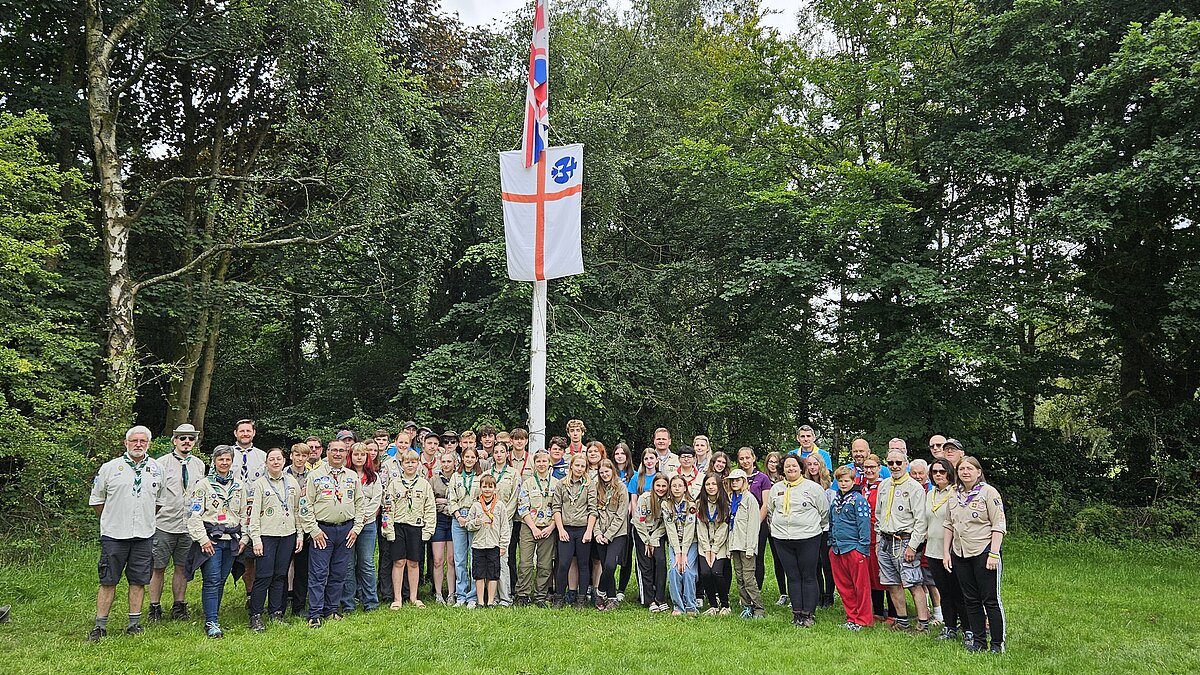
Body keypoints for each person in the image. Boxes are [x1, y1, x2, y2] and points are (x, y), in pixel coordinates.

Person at [87, 425, 164, 642]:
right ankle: (100, 625)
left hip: (144, 535)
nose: (138, 445)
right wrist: (114, 519)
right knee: (108, 580)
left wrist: (142, 519)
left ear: (148, 444)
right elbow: (97, 501)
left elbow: (158, 503)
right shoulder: (110, 468)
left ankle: (134, 624)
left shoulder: (157, 469)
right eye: (134, 441)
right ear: (126, 443)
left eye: (143, 441)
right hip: (114, 535)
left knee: (138, 581)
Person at [297, 438, 366, 628]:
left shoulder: (352, 476)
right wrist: (314, 530)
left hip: (346, 530)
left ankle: (332, 610)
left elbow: (360, 504)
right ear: (327, 452)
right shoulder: (314, 476)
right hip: (322, 531)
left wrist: (356, 528)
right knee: (319, 573)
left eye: (341, 450)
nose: (337, 454)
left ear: (346, 454)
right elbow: (305, 505)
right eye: (334, 450)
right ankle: (315, 613)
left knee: (339, 573)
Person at [945, 456, 1007, 653]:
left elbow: (998, 524)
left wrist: (994, 553)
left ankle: (997, 643)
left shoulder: (989, 493)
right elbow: (949, 524)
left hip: (984, 551)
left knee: (990, 600)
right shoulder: (954, 493)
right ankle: (978, 642)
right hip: (960, 553)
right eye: (962, 469)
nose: (965, 472)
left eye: (970, 468)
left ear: (978, 472)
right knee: (970, 599)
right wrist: (946, 552)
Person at [186, 445, 247, 638]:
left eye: (228, 459)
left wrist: (244, 537)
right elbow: (194, 514)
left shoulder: (239, 485)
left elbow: (245, 513)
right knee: (211, 580)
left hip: (232, 539)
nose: (224, 463)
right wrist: (202, 539)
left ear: (232, 461)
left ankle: (215, 614)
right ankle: (211, 621)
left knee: (221, 579)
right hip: (212, 538)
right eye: (220, 459)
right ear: (214, 461)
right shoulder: (203, 485)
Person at [149, 423, 205, 624]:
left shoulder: (199, 465)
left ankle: (179, 605)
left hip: (188, 525)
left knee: (182, 567)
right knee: (158, 567)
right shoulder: (160, 464)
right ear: (175, 441)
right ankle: (154, 607)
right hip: (164, 523)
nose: (187, 442)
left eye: (190, 439)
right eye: (183, 438)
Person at [766, 454, 829, 628]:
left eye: (794, 466)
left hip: (808, 537)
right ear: (782, 469)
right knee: (792, 576)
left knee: (808, 575)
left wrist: (816, 528)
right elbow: (771, 511)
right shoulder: (776, 488)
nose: (791, 469)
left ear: (801, 468)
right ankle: (797, 613)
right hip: (782, 539)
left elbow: (824, 512)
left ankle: (808, 614)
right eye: (787, 466)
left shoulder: (813, 488)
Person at [246, 447, 303, 632]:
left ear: (284, 461)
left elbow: (297, 511)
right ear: (266, 463)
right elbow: (253, 515)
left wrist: (299, 535)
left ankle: (276, 612)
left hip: (287, 534)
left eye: (279, 459)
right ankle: (255, 615)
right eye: (272, 459)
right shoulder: (260, 484)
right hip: (266, 536)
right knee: (264, 575)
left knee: (280, 575)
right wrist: (256, 539)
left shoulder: (292, 483)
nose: (276, 462)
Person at [381, 449, 437, 609]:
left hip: (417, 527)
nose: (410, 465)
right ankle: (397, 598)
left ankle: (414, 596)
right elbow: (387, 508)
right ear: (402, 464)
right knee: (398, 562)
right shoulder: (395, 484)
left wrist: (428, 530)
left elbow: (430, 508)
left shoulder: (424, 484)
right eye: (407, 462)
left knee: (414, 563)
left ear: (418, 464)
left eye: (413, 462)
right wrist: (388, 529)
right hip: (398, 526)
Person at [829, 465, 873, 630]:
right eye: (840, 481)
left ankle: (863, 619)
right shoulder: (836, 500)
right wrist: (831, 543)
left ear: (853, 481)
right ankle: (851, 617)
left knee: (860, 586)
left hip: (854, 548)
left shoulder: (859, 500)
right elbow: (831, 522)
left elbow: (864, 525)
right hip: (837, 549)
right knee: (844, 586)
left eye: (847, 481)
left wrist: (862, 548)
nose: (843, 484)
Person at [926, 457, 965, 643]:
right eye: (935, 472)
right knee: (944, 592)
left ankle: (968, 628)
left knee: (958, 591)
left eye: (942, 471)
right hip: (932, 549)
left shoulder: (957, 493)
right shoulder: (930, 494)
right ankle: (949, 627)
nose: (939, 475)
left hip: (951, 550)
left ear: (950, 473)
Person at [340, 443, 381, 613]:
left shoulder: (374, 477)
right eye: (356, 454)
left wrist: (364, 517)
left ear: (367, 457)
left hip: (368, 524)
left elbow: (376, 499)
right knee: (348, 564)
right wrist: (354, 517)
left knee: (367, 563)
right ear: (350, 456)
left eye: (363, 454)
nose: (359, 457)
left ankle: (370, 601)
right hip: (348, 524)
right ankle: (348, 603)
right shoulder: (345, 476)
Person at [552, 453, 597, 608]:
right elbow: (556, 508)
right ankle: (559, 597)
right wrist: (561, 529)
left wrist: (589, 531)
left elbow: (592, 509)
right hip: (566, 529)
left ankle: (581, 598)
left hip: (583, 529)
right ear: (571, 465)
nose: (579, 468)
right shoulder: (562, 484)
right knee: (563, 564)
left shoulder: (589, 485)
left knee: (584, 564)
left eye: (582, 466)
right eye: (577, 465)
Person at [516, 451, 559, 607]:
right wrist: (533, 528)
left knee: (545, 564)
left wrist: (551, 526)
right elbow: (522, 507)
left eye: (544, 461)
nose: (541, 464)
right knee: (525, 563)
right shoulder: (528, 483)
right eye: (538, 461)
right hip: (529, 527)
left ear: (549, 463)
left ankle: (540, 595)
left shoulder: (556, 484)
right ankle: (523, 594)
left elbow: (559, 508)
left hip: (548, 528)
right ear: (534, 463)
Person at [232, 419, 267, 607]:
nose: (245, 434)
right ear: (235, 433)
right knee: (240, 555)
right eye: (241, 431)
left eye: (248, 431)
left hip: (256, 513)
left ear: (253, 433)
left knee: (254, 555)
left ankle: (252, 594)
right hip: (233, 512)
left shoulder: (262, 457)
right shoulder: (226, 455)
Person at [467, 474, 512, 608]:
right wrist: (475, 522)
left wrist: (503, 545)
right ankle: (480, 601)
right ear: (480, 488)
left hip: (494, 544)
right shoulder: (475, 506)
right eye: (484, 487)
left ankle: (491, 601)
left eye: (490, 487)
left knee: (493, 574)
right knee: (479, 574)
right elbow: (468, 525)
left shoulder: (500, 506)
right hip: (478, 545)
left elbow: (505, 527)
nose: (487, 489)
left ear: (495, 489)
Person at [725, 469, 764, 619]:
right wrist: (729, 546)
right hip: (735, 544)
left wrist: (751, 547)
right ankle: (746, 605)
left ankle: (758, 607)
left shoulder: (749, 499)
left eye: (737, 480)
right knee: (739, 577)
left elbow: (754, 525)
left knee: (748, 578)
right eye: (732, 481)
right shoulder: (731, 498)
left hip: (746, 545)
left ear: (744, 481)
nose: (734, 483)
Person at [593, 459, 630, 610]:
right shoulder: (596, 488)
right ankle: (612, 598)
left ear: (613, 471)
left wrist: (608, 534)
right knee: (604, 564)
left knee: (610, 565)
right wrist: (597, 533)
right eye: (601, 473)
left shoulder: (621, 488)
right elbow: (592, 512)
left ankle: (600, 592)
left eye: (607, 472)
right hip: (600, 533)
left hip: (617, 533)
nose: (604, 475)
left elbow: (621, 515)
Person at [449, 446, 483, 607]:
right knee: (460, 559)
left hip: (475, 517)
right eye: (466, 457)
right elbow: (451, 499)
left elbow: (484, 497)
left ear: (477, 459)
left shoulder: (481, 476)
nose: (469, 460)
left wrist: (471, 518)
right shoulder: (455, 477)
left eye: (472, 457)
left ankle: (473, 596)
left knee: (474, 558)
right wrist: (458, 517)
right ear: (462, 458)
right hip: (458, 519)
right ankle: (460, 594)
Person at [860, 452, 891, 622]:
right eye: (866, 467)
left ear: (879, 468)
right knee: (871, 575)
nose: (869, 470)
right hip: (866, 537)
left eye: (872, 467)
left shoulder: (885, 486)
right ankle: (878, 610)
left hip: (880, 535)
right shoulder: (861, 487)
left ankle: (893, 612)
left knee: (885, 573)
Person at [488, 441, 519, 606]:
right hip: (488, 522)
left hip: (505, 521)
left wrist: (503, 518)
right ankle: (492, 595)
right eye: (496, 452)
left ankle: (505, 596)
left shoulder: (514, 474)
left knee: (503, 557)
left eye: (502, 451)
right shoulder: (487, 473)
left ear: (508, 454)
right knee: (490, 557)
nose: (499, 454)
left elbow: (515, 497)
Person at [662, 475, 698, 616]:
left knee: (688, 571)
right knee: (674, 570)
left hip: (690, 544)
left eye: (680, 486)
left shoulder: (691, 505)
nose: (677, 488)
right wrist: (677, 552)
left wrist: (684, 553)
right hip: (675, 543)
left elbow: (690, 529)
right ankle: (678, 606)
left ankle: (690, 605)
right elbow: (670, 529)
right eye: (674, 486)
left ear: (685, 488)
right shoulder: (666, 505)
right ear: (670, 488)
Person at [633, 474, 670, 612]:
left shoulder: (668, 500)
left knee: (660, 561)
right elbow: (639, 520)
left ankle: (660, 598)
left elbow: (664, 524)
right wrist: (647, 541)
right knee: (645, 565)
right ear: (653, 486)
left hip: (657, 533)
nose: (660, 488)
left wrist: (653, 539)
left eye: (663, 486)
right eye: (658, 485)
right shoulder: (645, 498)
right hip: (641, 532)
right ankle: (649, 599)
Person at [696, 473, 732, 615]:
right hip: (704, 544)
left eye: (713, 484)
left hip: (720, 544)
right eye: (708, 484)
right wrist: (707, 549)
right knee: (705, 573)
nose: (711, 487)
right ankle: (712, 604)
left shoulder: (725, 503)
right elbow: (700, 527)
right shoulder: (699, 504)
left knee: (717, 572)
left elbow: (724, 528)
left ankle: (725, 604)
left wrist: (714, 549)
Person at [285, 443, 313, 616]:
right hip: (286, 525)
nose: (300, 459)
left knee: (302, 569)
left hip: (306, 525)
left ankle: (299, 606)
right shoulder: (283, 474)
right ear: (291, 455)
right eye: (297, 455)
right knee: (282, 568)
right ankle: (279, 605)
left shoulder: (312, 476)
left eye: (304, 456)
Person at [804, 454, 835, 608]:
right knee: (814, 563)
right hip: (810, 529)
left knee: (827, 564)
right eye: (809, 464)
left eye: (815, 464)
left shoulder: (829, 485)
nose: (812, 467)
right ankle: (819, 594)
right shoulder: (804, 484)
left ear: (820, 465)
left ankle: (829, 595)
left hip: (826, 528)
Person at [429, 451, 457, 604]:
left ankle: (452, 593)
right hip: (438, 520)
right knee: (438, 559)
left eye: (449, 461)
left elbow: (457, 499)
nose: (446, 464)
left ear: (454, 463)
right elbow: (430, 499)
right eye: (444, 461)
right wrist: (445, 501)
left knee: (451, 559)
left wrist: (444, 501)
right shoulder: (434, 479)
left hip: (454, 520)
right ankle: (438, 593)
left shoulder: (458, 478)